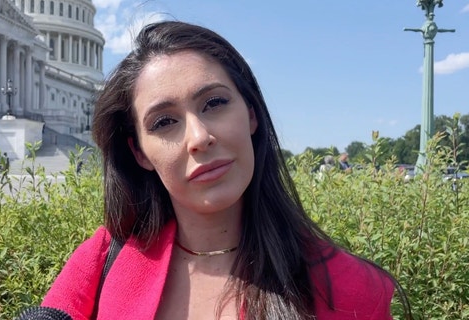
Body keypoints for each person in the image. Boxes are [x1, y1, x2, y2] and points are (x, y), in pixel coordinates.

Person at [39, 21, 410, 319]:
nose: (199, 137)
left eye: (214, 102)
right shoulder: (102, 260)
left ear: (251, 114)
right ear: (140, 153)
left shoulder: (352, 289)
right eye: (164, 122)